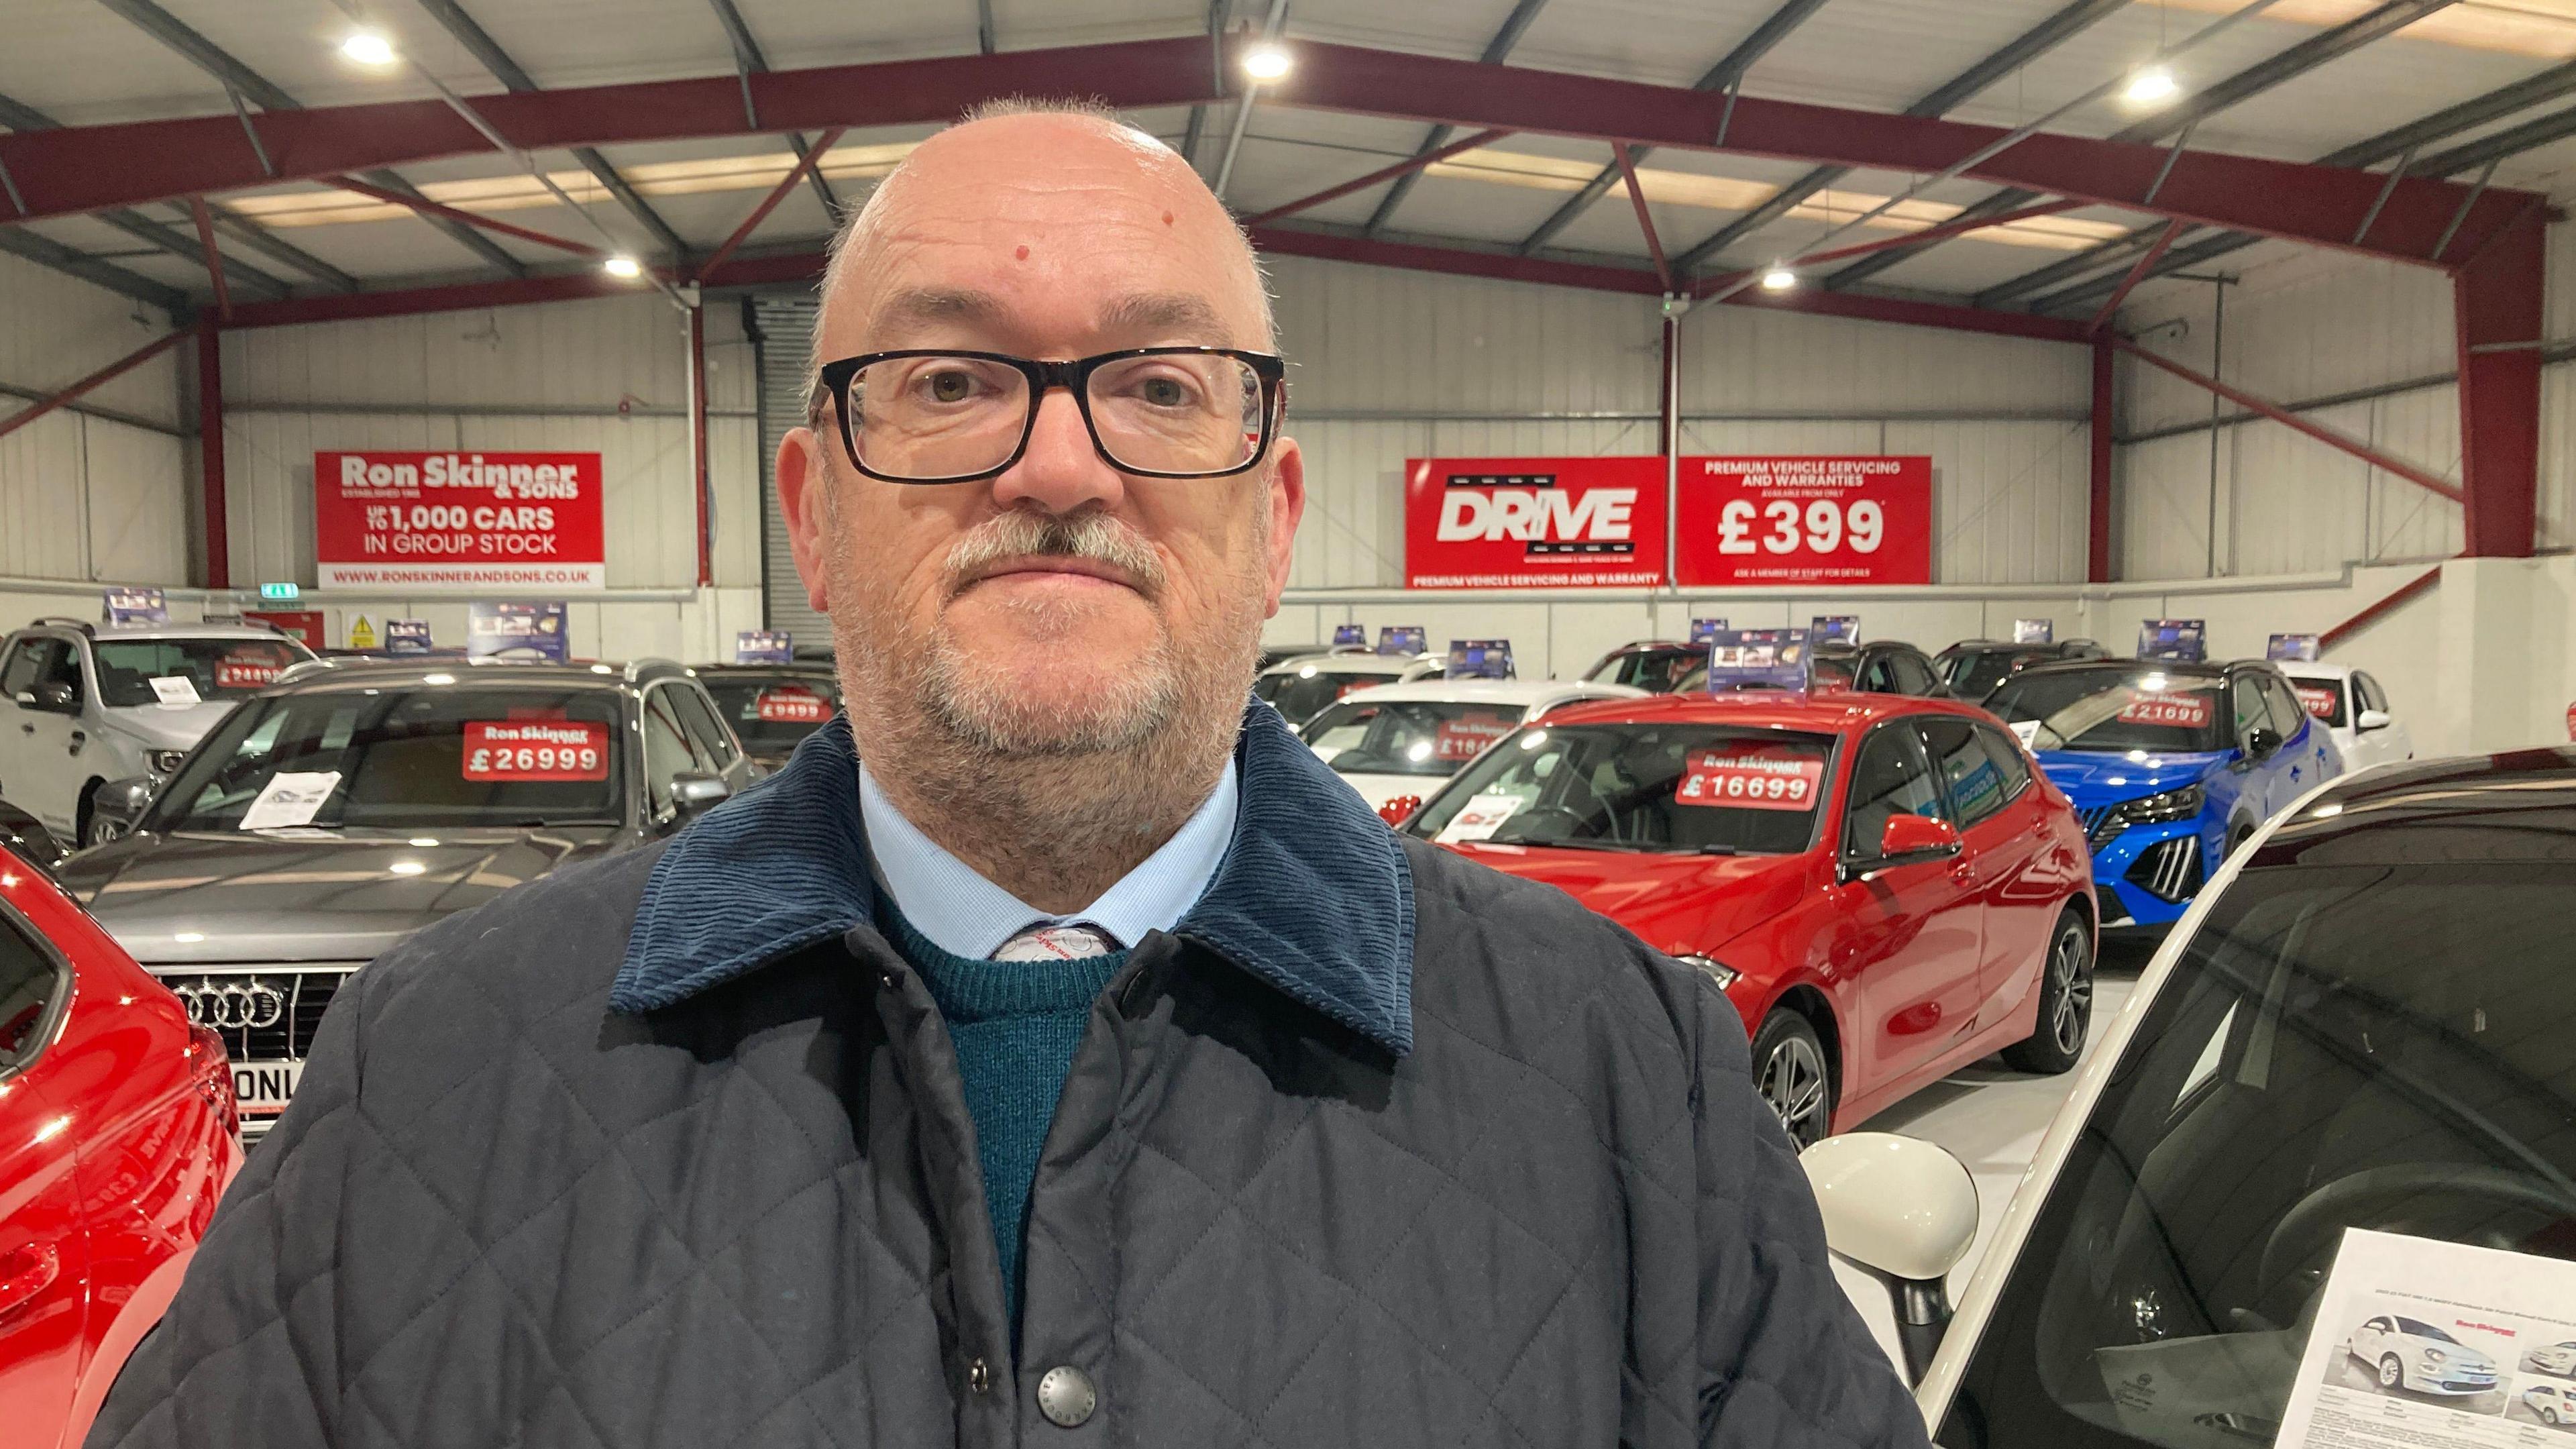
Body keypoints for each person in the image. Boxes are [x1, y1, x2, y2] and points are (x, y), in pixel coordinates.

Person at [89, 101, 1927, 1449]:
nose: (1060, 467)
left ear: (1271, 515)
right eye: (953, 380)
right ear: (814, 511)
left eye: (1162, 387)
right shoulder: (445, 1070)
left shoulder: (1625, 1081)